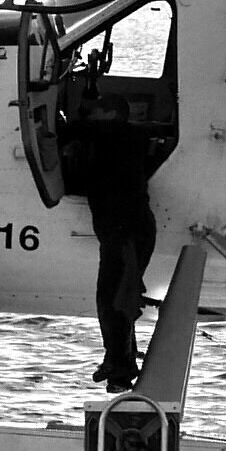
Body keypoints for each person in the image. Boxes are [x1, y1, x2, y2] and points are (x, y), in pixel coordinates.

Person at [70, 101, 159, 390]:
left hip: (126, 232)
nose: (90, 116)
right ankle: (120, 364)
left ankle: (119, 363)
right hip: (123, 232)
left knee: (115, 299)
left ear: (111, 114)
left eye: (96, 111)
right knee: (118, 297)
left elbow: (78, 131)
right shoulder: (119, 140)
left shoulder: (117, 135)